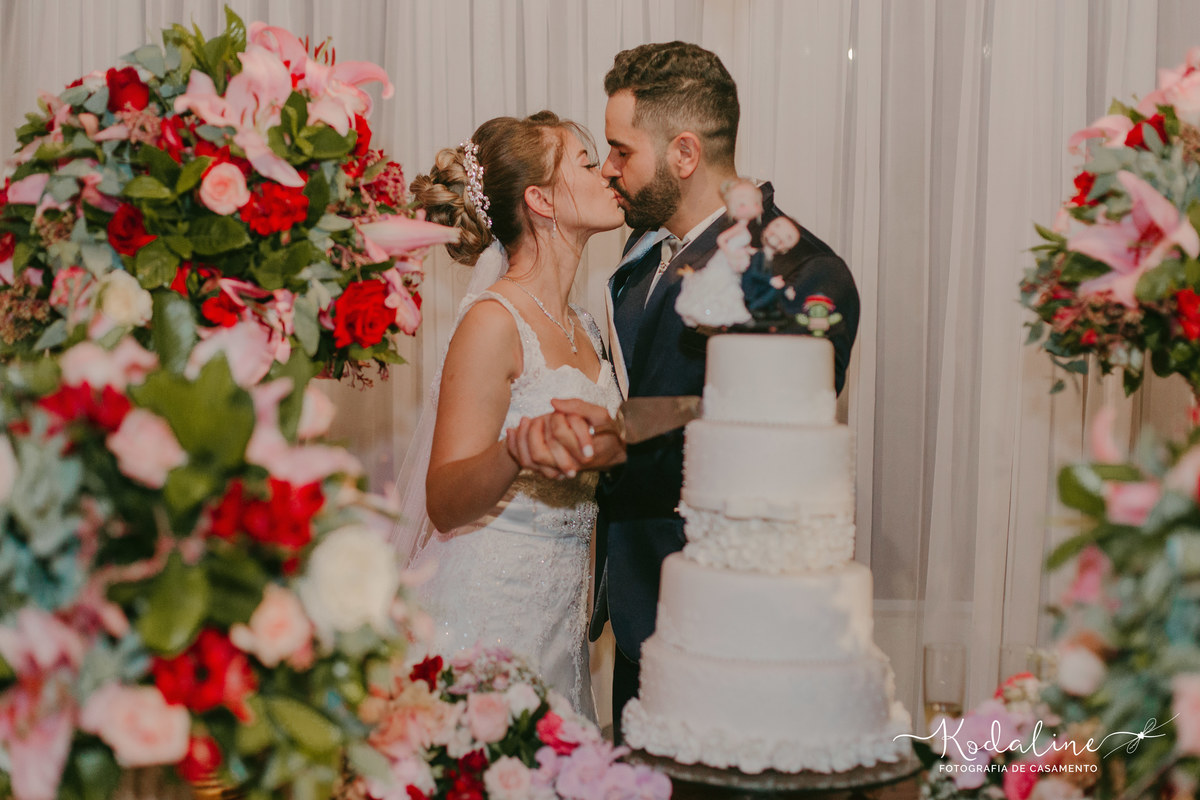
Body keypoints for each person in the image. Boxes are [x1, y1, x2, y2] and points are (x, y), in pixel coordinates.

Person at [504, 42, 861, 740]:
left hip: (735, 632)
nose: (607, 168)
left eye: (620, 150)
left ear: (685, 154)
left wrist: (607, 442)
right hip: (639, 612)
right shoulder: (636, 268)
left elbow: (762, 448)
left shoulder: (802, 275)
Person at [394, 111, 625, 719]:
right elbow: (442, 500)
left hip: (562, 622)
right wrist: (515, 451)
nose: (608, 173)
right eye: (586, 161)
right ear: (540, 200)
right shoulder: (493, 322)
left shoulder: (589, 328)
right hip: (490, 610)